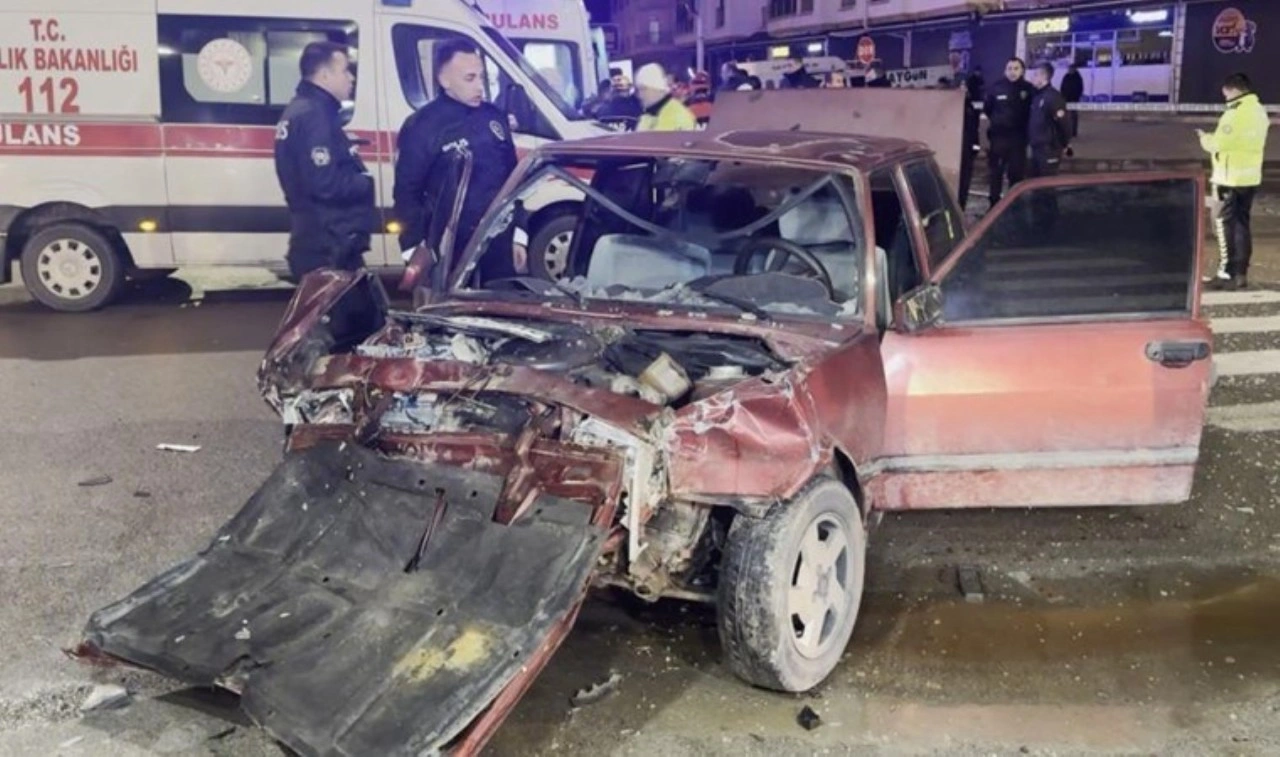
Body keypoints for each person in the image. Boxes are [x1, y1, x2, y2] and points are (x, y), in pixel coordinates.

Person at [393, 38, 525, 285]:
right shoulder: (422, 126)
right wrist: (413, 249)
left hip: (498, 242)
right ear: (445, 80)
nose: (479, 86)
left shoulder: (493, 117)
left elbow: (515, 179)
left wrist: (519, 233)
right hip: (448, 248)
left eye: (481, 77)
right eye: (469, 78)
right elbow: (406, 192)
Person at [273, 41, 375, 280]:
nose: (351, 78)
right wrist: (364, 181)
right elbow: (325, 183)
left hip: (322, 240)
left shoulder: (305, 110)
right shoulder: (314, 116)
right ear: (325, 75)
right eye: (345, 71)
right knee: (349, 304)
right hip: (328, 246)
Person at [1199, 72, 1270, 290]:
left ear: (1233, 90)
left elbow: (1219, 144)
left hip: (1229, 178)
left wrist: (1204, 138)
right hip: (1250, 177)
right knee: (1242, 225)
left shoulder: (1233, 114)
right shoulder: (1259, 111)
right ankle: (1240, 273)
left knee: (1223, 224)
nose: (1225, 96)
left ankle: (1226, 273)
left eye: (1226, 93)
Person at [983, 57, 1036, 209]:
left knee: (1016, 175)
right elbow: (988, 109)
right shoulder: (996, 88)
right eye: (1009, 68)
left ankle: (1015, 206)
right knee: (996, 173)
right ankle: (993, 206)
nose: (1012, 72)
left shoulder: (1029, 89)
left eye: (1016, 68)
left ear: (1022, 71)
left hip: (1018, 140)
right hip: (998, 139)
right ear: (1005, 71)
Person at [1027, 62, 1072, 230]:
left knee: (1047, 188)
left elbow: (1064, 124)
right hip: (1037, 148)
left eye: (1035, 74)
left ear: (1044, 76)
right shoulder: (1038, 96)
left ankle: (1050, 224)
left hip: (1049, 150)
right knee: (1037, 187)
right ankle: (1039, 221)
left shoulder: (1053, 97)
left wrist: (1063, 144)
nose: (1033, 78)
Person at [635, 63, 698, 132]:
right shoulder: (648, 115)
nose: (640, 95)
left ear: (656, 88)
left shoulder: (675, 114)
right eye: (638, 90)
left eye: (643, 89)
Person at [1060, 64, 1084, 138]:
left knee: (1073, 115)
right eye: (1069, 69)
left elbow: (1080, 88)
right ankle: (1066, 131)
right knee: (1066, 116)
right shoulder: (1066, 77)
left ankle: (1073, 131)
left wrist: (1076, 96)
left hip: (1074, 99)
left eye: (1071, 69)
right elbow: (1062, 87)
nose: (1069, 70)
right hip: (1066, 99)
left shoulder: (1078, 77)